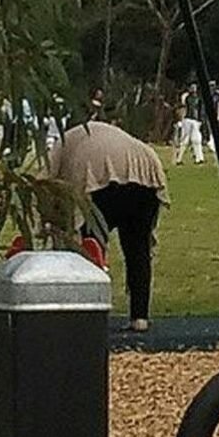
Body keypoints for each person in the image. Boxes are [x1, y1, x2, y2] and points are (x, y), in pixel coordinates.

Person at [47, 120, 168, 332]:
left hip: (101, 176)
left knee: (90, 248)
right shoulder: (89, 134)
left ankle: (89, 316)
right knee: (138, 249)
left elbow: (47, 183)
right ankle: (140, 317)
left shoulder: (62, 145)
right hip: (144, 169)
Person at [172, 86, 204, 165]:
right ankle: (179, 159)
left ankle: (199, 158)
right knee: (184, 140)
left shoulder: (198, 99)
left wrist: (200, 120)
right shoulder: (186, 97)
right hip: (187, 120)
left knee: (196, 140)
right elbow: (184, 108)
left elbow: (200, 110)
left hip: (195, 120)